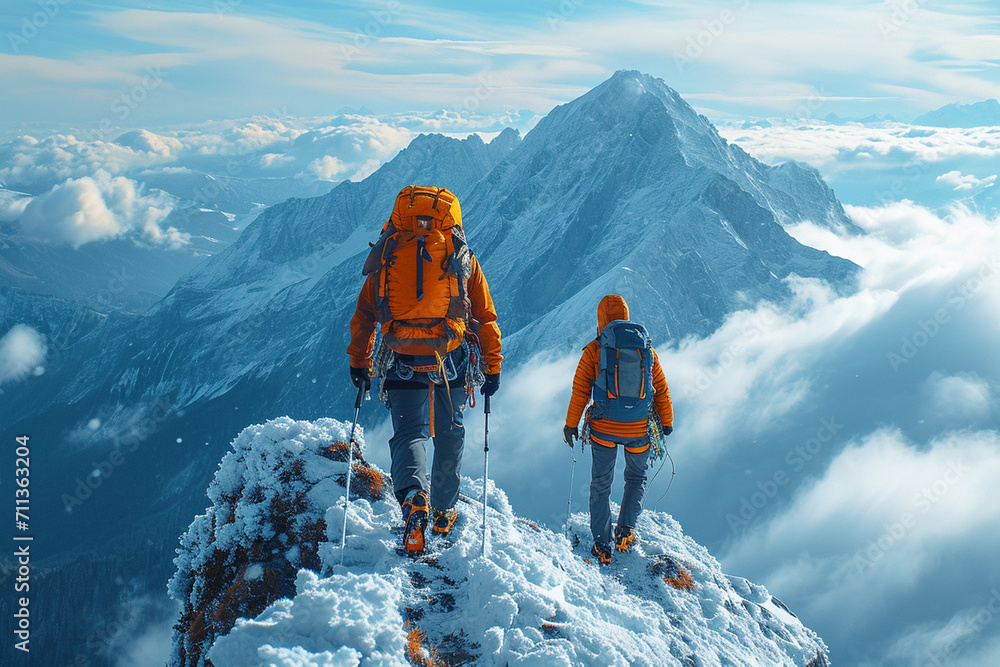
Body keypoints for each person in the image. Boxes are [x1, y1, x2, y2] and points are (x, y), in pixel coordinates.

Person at [347, 185, 502, 556]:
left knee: (409, 434)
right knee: (450, 432)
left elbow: (365, 314)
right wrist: (493, 366)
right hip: (449, 359)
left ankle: (414, 498)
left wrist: (359, 362)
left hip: (400, 357)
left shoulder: (389, 253)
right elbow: (485, 316)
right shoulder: (462, 256)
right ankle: (444, 510)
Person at [564, 294, 673, 564]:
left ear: (600, 319)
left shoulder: (594, 349)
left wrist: (570, 424)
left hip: (603, 428)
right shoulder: (645, 349)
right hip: (639, 430)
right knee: (635, 479)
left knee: (601, 484)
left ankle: (602, 545)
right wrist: (667, 422)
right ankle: (625, 532)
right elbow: (661, 388)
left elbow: (580, 391)